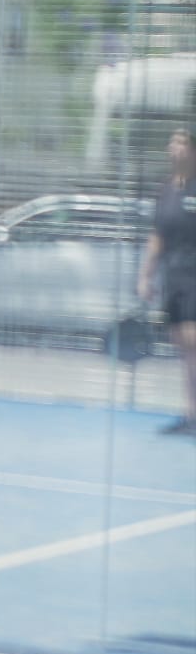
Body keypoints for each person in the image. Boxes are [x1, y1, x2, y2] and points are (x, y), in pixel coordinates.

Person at [139, 127, 195, 437]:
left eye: (182, 143)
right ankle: (191, 416)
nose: (174, 148)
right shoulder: (167, 190)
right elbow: (157, 237)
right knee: (186, 350)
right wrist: (145, 276)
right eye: (172, 142)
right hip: (173, 280)